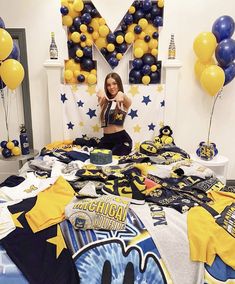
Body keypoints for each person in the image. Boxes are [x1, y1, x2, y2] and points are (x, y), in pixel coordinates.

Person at [96, 72, 132, 156]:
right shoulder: (104, 101)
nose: (111, 87)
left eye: (114, 83)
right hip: (106, 139)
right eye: (108, 85)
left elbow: (129, 102)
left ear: (119, 84)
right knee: (98, 158)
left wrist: (121, 94)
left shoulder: (124, 101)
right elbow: (100, 95)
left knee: (114, 159)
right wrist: (100, 92)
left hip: (121, 139)